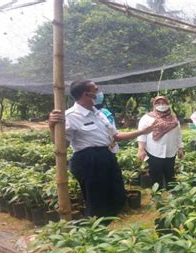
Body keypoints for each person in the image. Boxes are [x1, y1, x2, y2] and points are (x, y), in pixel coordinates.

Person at [48, 80, 155, 217]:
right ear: (86, 94)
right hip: (88, 161)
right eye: (96, 90)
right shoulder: (70, 116)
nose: (99, 93)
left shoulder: (98, 113)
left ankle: (107, 224)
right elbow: (62, 146)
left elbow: (116, 136)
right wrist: (52, 127)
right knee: (97, 201)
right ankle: (96, 229)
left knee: (117, 197)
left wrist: (143, 131)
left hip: (106, 156)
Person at [137, 96, 184, 189]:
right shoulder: (147, 118)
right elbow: (142, 135)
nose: (161, 105)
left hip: (170, 152)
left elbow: (178, 135)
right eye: (158, 103)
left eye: (164, 103)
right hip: (154, 151)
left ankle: (172, 196)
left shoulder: (174, 119)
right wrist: (141, 149)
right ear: (154, 105)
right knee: (156, 176)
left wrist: (180, 148)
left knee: (170, 175)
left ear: (168, 104)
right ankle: (157, 197)